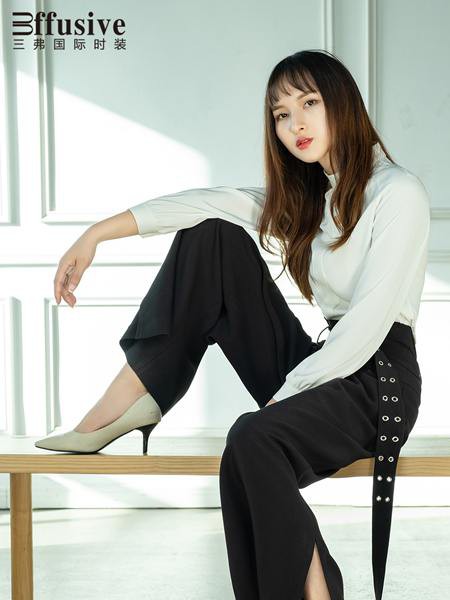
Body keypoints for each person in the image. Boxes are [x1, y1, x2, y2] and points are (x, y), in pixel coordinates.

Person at [34, 49, 430, 600]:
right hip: (327, 365)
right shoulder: (311, 201)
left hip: (376, 382)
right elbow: (209, 202)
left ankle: (314, 592)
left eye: (309, 104)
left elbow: (366, 326)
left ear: (343, 104)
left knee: (251, 436)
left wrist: (286, 395)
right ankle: (135, 394)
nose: (295, 124)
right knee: (212, 234)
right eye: (281, 113)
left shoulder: (397, 193)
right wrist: (96, 234)